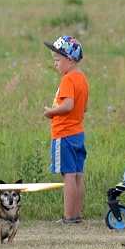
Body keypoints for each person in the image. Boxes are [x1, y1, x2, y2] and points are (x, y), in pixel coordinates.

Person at [43, 35, 89, 224]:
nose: (55, 64)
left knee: (67, 175)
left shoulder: (68, 80)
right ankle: (76, 215)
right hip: (78, 133)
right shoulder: (82, 79)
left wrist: (51, 112)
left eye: (57, 60)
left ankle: (68, 216)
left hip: (64, 134)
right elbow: (84, 107)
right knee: (78, 175)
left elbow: (68, 105)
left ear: (69, 60)